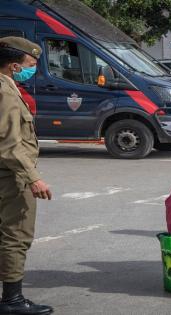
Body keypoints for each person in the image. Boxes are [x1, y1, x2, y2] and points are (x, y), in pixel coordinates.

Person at [0, 37, 53, 315]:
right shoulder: (6, 92)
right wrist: (34, 178)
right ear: (13, 66)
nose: (33, 69)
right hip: (11, 176)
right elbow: (9, 144)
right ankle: (12, 301)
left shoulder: (7, 86)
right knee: (15, 235)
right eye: (30, 65)